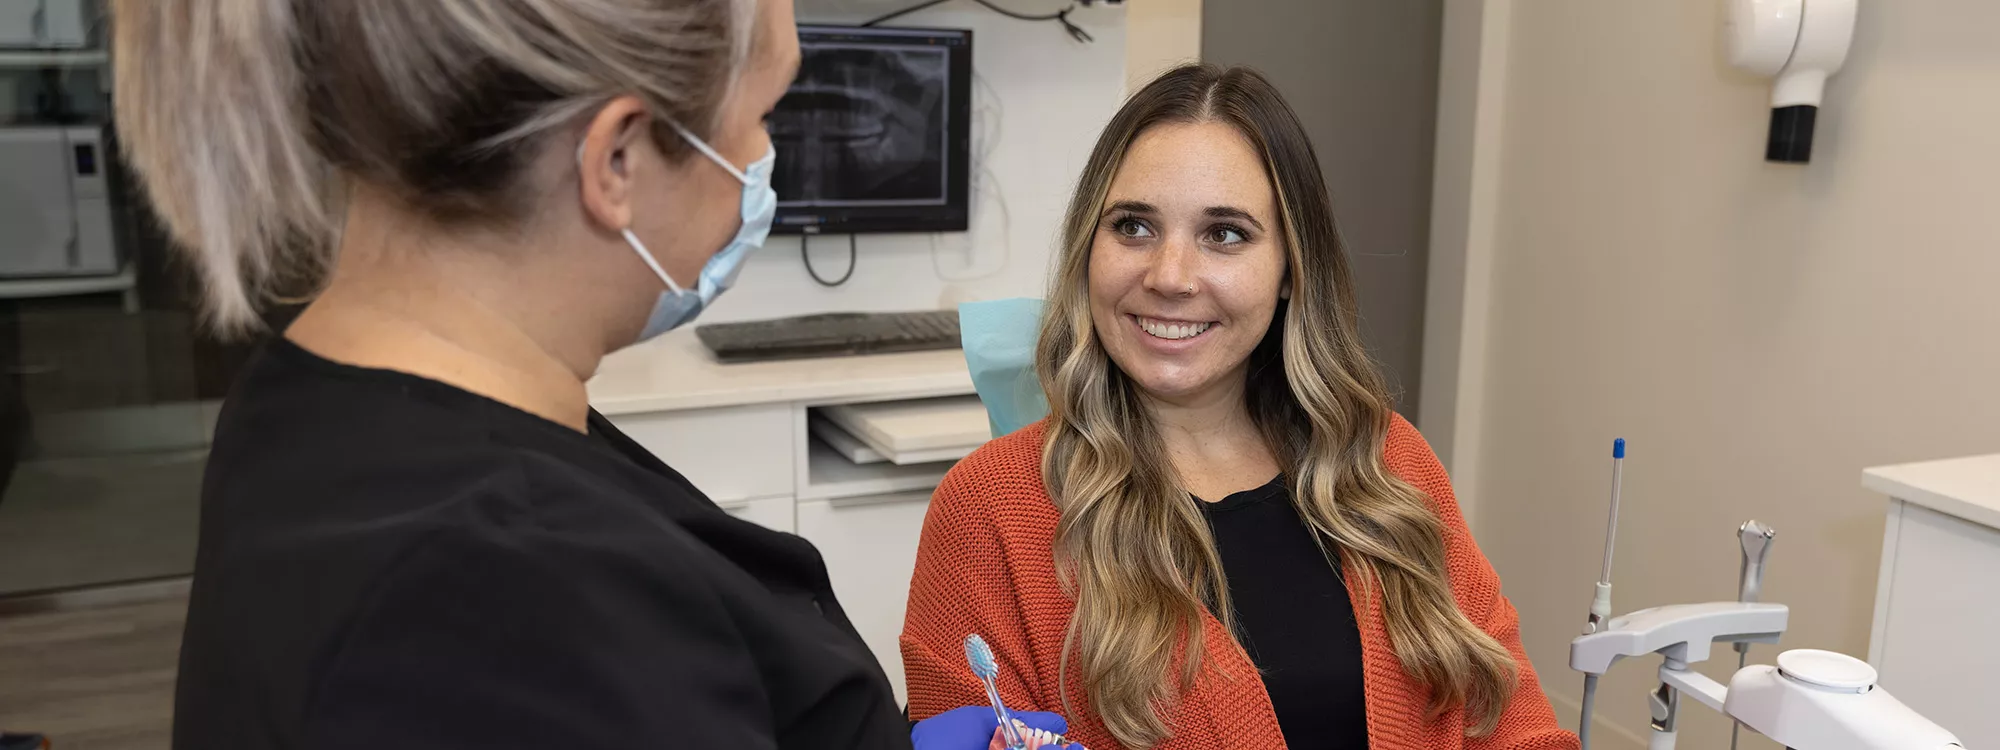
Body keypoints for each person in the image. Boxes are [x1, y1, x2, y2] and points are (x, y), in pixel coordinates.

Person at [109, 1, 1068, 748]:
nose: (762, 162)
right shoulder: (507, 594)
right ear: (615, 160)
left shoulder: (320, 405)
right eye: (760, 116)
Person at [900, 64, 1581, 750]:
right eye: (1133, 226)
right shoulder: (989, 511)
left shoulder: (1386, 464)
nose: (1169, 276)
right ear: (1088, 248)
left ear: (1291, 270)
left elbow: (1511, 723)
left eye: (1225, 234)